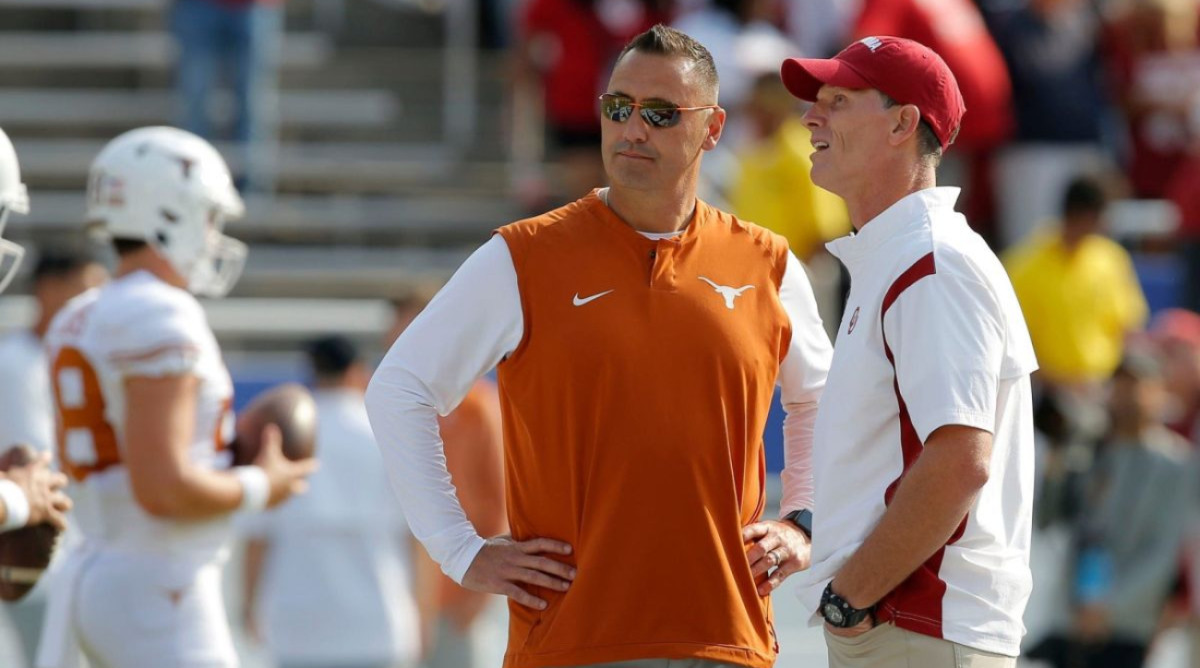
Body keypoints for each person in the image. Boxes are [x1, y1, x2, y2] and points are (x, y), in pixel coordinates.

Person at [366, 24, 833, 668]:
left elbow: (824, 401)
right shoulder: (521, 256)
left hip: (727, 637)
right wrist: (459, 549)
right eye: (619, 107)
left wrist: (802, 521)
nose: (633, 129)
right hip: (571, 642)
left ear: (714, 128)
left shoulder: (769, 264)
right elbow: (399, 389)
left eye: (662, 114)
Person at [780, 35, 1038, 667]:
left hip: (916, 625)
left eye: (838, 100)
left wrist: (850, 599)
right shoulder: (909, 255)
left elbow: (959, 463)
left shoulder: (931, 261)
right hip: (912, 626)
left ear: (903, 124)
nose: (812, 115)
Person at [37, 126, 314, 668]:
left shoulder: (81, 312)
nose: (212, 236)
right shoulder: (159, 312)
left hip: (109, 570)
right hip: (158, 584)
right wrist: (262, 484)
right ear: (169, 214)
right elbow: (160, 488)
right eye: (208, 218)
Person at [242, 335, 423, 668]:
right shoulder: (387, 430)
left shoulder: (282, 435)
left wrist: (248, 608)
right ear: (358, 371)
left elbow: (258, 536)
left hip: (298, 624)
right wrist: (423, 615)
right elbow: (417, 537)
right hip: (378, 620)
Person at [1027, 350, 1194, 668]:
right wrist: (1059, 461)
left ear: (1161, 392)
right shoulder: (1089, 450)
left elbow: (1162, 549)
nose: (1128, 396)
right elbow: (1050, 518)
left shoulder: (1176, 463)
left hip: (1126, 625)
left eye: (1139, 386)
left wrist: (1107, 608)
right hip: (1069, 617)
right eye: (1120, 385)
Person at [385, 292, 508, 668]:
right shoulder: (381, 403)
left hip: (453, 600)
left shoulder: (476, 407)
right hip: (387, 599)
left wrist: (477, 597)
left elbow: (499, 504)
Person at [0, 249, 106, 668]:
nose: (96, 302)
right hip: (37, 545)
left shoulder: (63, 357)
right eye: (86, 290)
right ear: (48, 289)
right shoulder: (15, 363)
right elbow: (39, 465)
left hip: (72, 547)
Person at [1005, 175, 1148, 389]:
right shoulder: (1024, 266)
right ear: (1086, 216)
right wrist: (1062, 385)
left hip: (1105, 390)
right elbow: (1014, 343)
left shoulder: (1111, 258)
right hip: (1045, 395)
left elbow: (1129, 328)